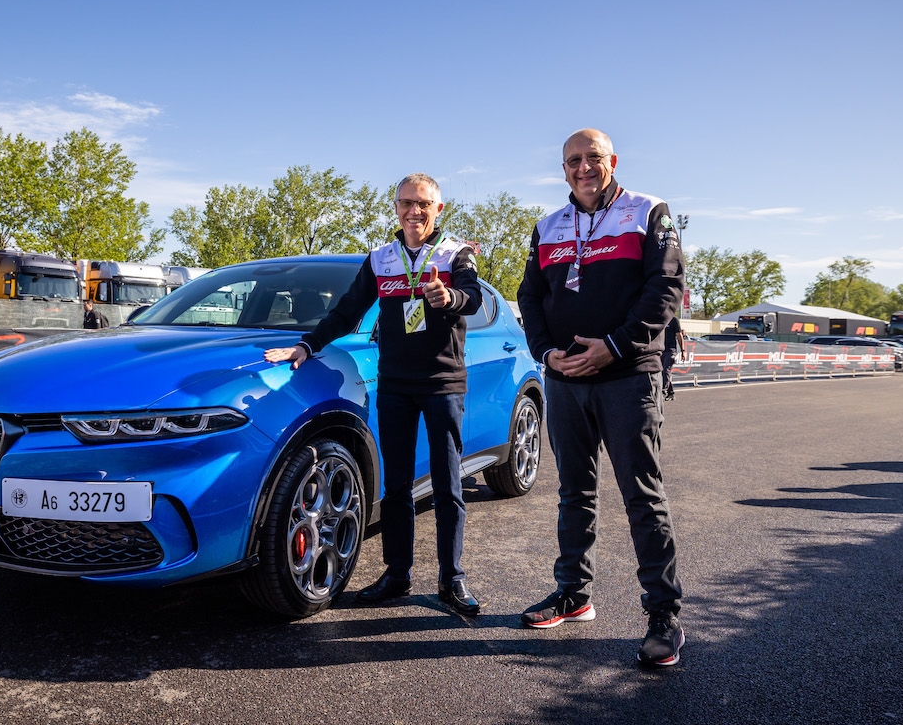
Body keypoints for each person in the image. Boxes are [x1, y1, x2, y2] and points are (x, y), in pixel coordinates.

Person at [263, 173, 484, 615]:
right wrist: (306, 346)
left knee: (447, 482)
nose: (413, 211)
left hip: (442, 383)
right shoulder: (381, 259)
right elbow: (347, 311)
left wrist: (448, 297)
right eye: (406, 203)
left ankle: (452, 580)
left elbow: (473, 297)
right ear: (396, 208)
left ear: (438, 209)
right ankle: (397, 574)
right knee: (398, 483)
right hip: (396, 384)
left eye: (423, 204)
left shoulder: (456, 253)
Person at [516, 128, 686, 666]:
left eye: (593, 158)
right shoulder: (547, 226)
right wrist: (546, 354)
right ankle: (573, 593)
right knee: (573, 493)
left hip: (628, 375)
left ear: (612, 160)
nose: (583, 168)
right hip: (566, 378)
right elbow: (530, 296)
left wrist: (613, 347)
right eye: (573, 161)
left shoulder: (648, 210)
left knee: (642, 496)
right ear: (562, 169)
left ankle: (663, 615)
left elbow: (664, 289)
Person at [661, 318, 685, 401]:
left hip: (670, 351)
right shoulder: (660, 317)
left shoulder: (674, 320)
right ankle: (671, 393)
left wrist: (683, 351)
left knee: (666, 370)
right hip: (660, 350)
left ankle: (662, 391)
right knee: (661, 372)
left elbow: (679, 335)